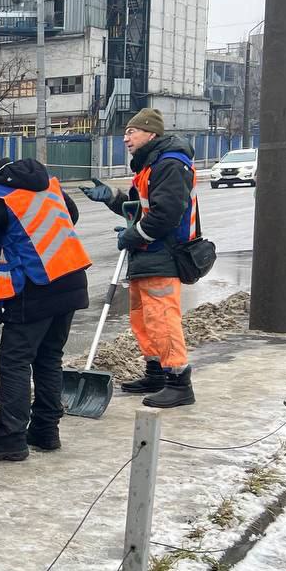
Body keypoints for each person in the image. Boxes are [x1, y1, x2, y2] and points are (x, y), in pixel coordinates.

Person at [0, 142, 91, 461]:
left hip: (35, 285)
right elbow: (70, 213)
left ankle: (10, 439)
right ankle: (46, 432)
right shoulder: (42, 179)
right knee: (48, 358)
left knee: (14, 361)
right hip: (70, 276)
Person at [83, 108, 200, 408]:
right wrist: (113, 199)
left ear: (151, 134)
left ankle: (179, 382)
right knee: (143, 319)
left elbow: (166, 216)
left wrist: (132, 236)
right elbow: (139, 210)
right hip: (146, 256)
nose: (126, 138)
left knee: (162, 319)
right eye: (125, 133)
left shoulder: (170, 165)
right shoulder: (148, 167)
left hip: (164, 255)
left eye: (131, 132)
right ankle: (156, 373)